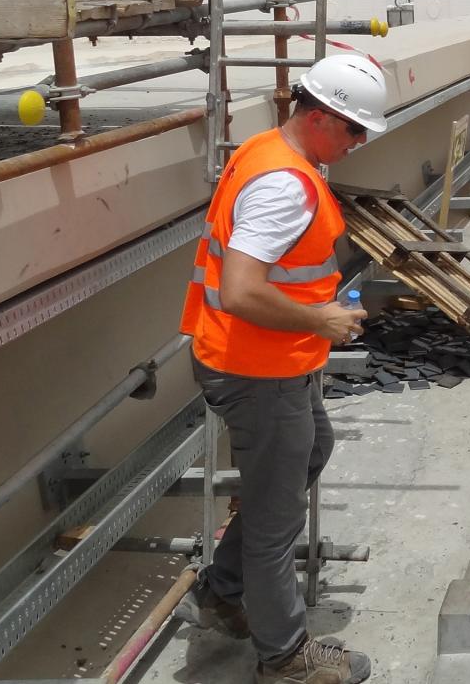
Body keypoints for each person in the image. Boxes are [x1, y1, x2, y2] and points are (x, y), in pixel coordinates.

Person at [175, 53, 387, 684]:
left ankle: (225, 589)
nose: (359, 142)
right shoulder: (283, 184)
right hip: (255, 370)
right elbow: (242, 290)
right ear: (320, 117)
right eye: (353, 129)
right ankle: (286, 659)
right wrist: (322, 320)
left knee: (313, 447)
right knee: (275, 523)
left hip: (261, 360)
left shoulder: (272, 150)